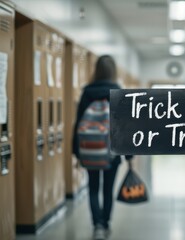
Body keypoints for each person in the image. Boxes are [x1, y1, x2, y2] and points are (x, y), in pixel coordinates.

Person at [72, 55, 131, 240]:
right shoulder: (118, 92)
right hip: (111, 150)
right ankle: (105, 224)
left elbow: (78, 123)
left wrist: (76, 151)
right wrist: (128, 155)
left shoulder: (87, 92)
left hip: (90, 148)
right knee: (108, 189)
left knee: (93, 187)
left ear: (96, 70)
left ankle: (97, 224)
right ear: (113, 72)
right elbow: (124, 126)